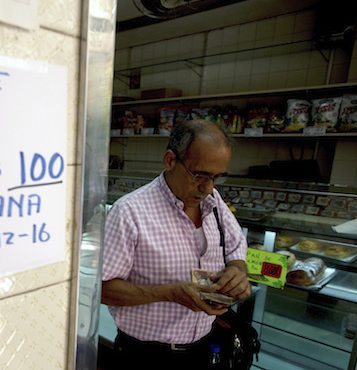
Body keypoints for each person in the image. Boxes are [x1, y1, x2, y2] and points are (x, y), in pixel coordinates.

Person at [101, 119, 251, 369]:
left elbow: (236, 247)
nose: (208, 187)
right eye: (200, 175)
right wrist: (168, 293)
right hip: (145, 355)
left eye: (217, 177)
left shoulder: (214, 202)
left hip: (204, 346)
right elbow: (104, 290)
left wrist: (237, 270)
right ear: (170, 160)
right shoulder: (130, 212)